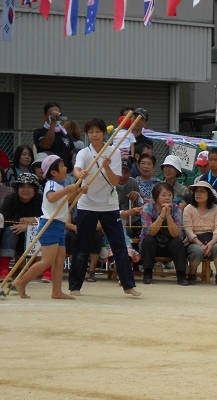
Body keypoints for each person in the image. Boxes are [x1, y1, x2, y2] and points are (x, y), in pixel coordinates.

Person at [69, 118, 141, 297]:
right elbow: (76, 170)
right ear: (87, 134)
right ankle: (75, 286)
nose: (94, 135)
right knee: (82, 245)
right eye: (91, 132)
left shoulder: (113, 152)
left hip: (109, 205)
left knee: (119, 245)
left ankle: (128, 285)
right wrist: (81, 173)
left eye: (97, 131)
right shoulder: (84, 153)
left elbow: (115, 180)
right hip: (87, 204)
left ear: (103, 133)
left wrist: (107, 166)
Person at [15, 155, 87, 299]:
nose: (66, 168)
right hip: (49, 225)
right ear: (54, 172)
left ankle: (56, 291)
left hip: (58, 226)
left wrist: (78, 192)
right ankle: (21, 281)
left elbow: (66, 202)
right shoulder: (52, 184)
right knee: (47, 261)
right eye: (62, 166)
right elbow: (52, 198)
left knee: (60, 260)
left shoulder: (59, 185)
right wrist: (69, 189)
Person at [139, 182, 189, 286]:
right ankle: (147, 274)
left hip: (169, 242)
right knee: (148, 240)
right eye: (164, 195)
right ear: (156, 197)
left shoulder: (176, 209)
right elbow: (149, 232)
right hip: (153, 243)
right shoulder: (147, 208)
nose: (167, 198)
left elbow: (177, 233)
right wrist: (162, 215)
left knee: (178, 242)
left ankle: (181, 275)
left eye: (170, 195)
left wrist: (168, 215)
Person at [0, 173, 42, 281]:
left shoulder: (40, 200)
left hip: (34, 234)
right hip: (14, 235)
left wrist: (27, 226)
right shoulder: (10, 199)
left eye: (29, 187)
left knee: (43, 231)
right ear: (17, 188)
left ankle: (44, 270)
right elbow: (4, 220)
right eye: (22, 187)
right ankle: (4, 269)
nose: (26, 190)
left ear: (35, 189)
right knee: (10, 231)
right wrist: (23, 220)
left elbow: (46, 219)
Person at [183, 180, 217, 286]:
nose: (198, 194)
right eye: (196, 191)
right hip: (194, 240)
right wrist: (201, 245)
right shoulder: (189, 209)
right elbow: (188, 230)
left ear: (209, 194)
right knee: (197, 251)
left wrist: (211, 243)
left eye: (202, 191)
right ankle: (192, 274)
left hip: (212, 239)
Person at [33, 102, 75, 172]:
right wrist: (53, 123)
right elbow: (46, 145)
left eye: (57, 114)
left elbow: (72, 152)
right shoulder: (39, 132)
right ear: (45, 117)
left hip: (65, 174)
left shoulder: (64, 133)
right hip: (48, 173)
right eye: (52, 114)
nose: (55, 116)